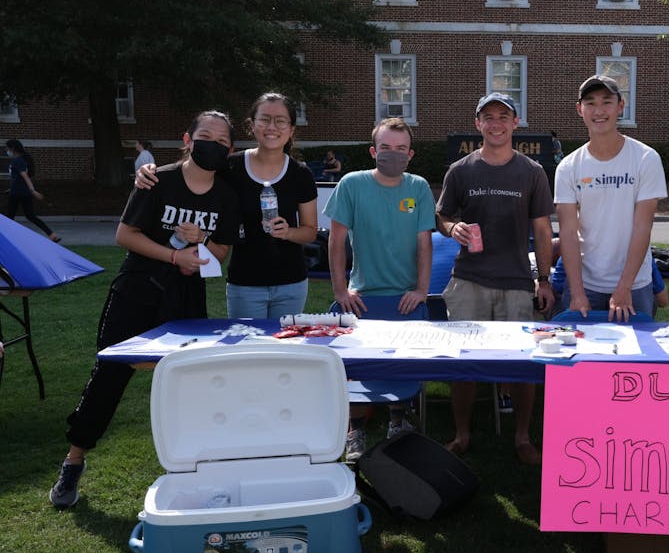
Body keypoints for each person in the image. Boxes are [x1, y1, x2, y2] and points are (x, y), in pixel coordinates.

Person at [48, 111, 240, 508]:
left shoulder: (226, 194)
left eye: (222, 142)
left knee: (191, 382)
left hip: (186, 299)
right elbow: (124, 234)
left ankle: (194, 469)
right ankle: (73, 461)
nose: (213, 145)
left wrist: (201, 241)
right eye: (205, 136)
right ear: (187, 138)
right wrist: (174, 256)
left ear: (231, 150)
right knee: (109, 374)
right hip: (137, 290)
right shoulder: (157, 178)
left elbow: (220, 252)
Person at [436, 92, 554, 465]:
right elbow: (442, 217)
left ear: (515, 124)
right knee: (463, 364)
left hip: (517, 282)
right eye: (488, 117)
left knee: (522, 365)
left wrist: (545, 280)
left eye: (503, 116)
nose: (496, 123)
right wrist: (452, 226)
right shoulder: (461, 170)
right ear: (478, 125)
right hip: (469, 279)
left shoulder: (532, 172)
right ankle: (462, 434)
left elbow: (541, 227)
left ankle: (522, 436)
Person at [137, 92, 318, 319]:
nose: (272, 126)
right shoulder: (230, 167)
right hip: (245, 282)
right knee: (247, 352)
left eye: (281, 120)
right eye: (264, 119)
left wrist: (289, 232)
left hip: (292, 284)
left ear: (291, 129)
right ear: (251, 125)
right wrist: (149, 170)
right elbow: (191, 171)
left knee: (285, 351)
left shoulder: (300, 174)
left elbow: (310, 231)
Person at [324, 117, 435, 459]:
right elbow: (336, 240)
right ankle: (354, 429)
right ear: (374, 151)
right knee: (356, 367)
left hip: (404, 298)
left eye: (400, 149)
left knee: (401, 365)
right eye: (386, 148)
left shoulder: (418, 187)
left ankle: (397, 421)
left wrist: (420, 289)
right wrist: (341, 291)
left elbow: (424, 243)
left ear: (410, 154)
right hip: (363, 296)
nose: (393, 154)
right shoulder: (352, 184)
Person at [554, 75, 668, 321]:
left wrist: (624, 287)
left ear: (620, 106)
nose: (599, 111)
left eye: (606, 102)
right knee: (580, 358)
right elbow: (568, 234)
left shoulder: (645, 159)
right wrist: (576, 291)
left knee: (634, 358)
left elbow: (642, 227)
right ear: (579, 109)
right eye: (591, 103)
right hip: (586, 286)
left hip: (635, 285)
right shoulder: (568, 167)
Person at [5, 139, 60, 242]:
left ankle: (9, 239)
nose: (6, 150)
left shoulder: (18, 160)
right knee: (30, 216)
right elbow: (19, 178)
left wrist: (33, 190)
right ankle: (52, 235)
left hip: (17, 192)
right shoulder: (22, 159)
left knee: (9, 217)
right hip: (21, 191)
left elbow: (25, 176)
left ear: (12, 148)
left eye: (7, 148)